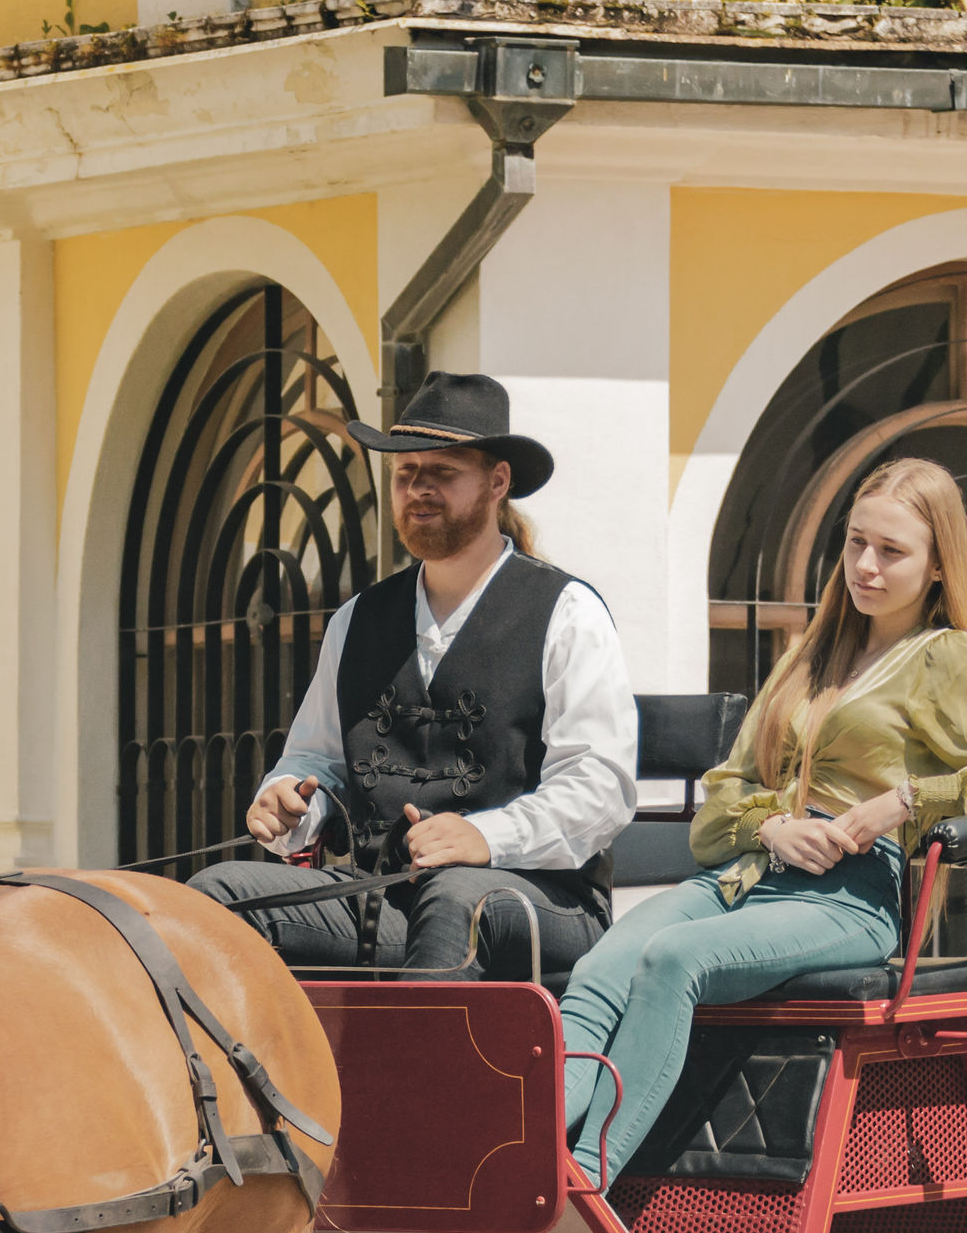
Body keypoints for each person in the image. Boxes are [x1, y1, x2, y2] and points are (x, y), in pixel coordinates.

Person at [558, 455, 967, 1184]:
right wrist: (771, 826)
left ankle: (586, 1177)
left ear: (935, 568)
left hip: (849, 898)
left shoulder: (944, 658)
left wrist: (905, 802)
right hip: (744, 880)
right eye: (856, 542)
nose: (865, 565)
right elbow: (721, 802)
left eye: (891, 551)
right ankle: (531, 1160)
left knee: (674, 961)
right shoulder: (809, 654)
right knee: (604, 963)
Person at [192, 373, 637, 980]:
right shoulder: (358, 620)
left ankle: (419, 1077)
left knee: (457, 897)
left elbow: (599, 788)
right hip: (385, 898)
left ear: (497, 481)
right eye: (406, 474)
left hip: (541, 903)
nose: (419, 489)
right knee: (216, 895)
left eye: (443, 473)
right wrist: (294, 801)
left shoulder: (567, 612)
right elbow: (317, 761)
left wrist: (486, 838)